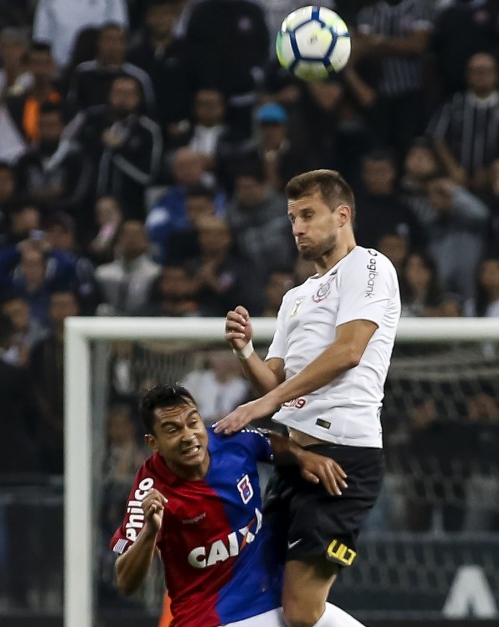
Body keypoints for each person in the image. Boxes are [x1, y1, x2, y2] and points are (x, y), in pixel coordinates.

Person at [216, 169, 400, 627]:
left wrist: (261, 405)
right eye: (292, 217)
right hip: (297, 457)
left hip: (344, 456)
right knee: (266, 596)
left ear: (342, 216)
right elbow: (273, 382)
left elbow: (349, 351)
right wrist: (245, 353)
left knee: (301, 611)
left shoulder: (368, 266)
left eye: (308, 215)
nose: (297, 227)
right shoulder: (295, 297)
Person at [111, 384, 348, 627]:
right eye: (172, 430)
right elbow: (126, 582)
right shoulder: (149, 490)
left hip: (277, 599)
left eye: (193, 422)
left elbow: (269, 443)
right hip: (213, 618)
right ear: (154, 442)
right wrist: (150, 532)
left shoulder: (230, 439)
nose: (189, 436)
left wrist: (302, 456)